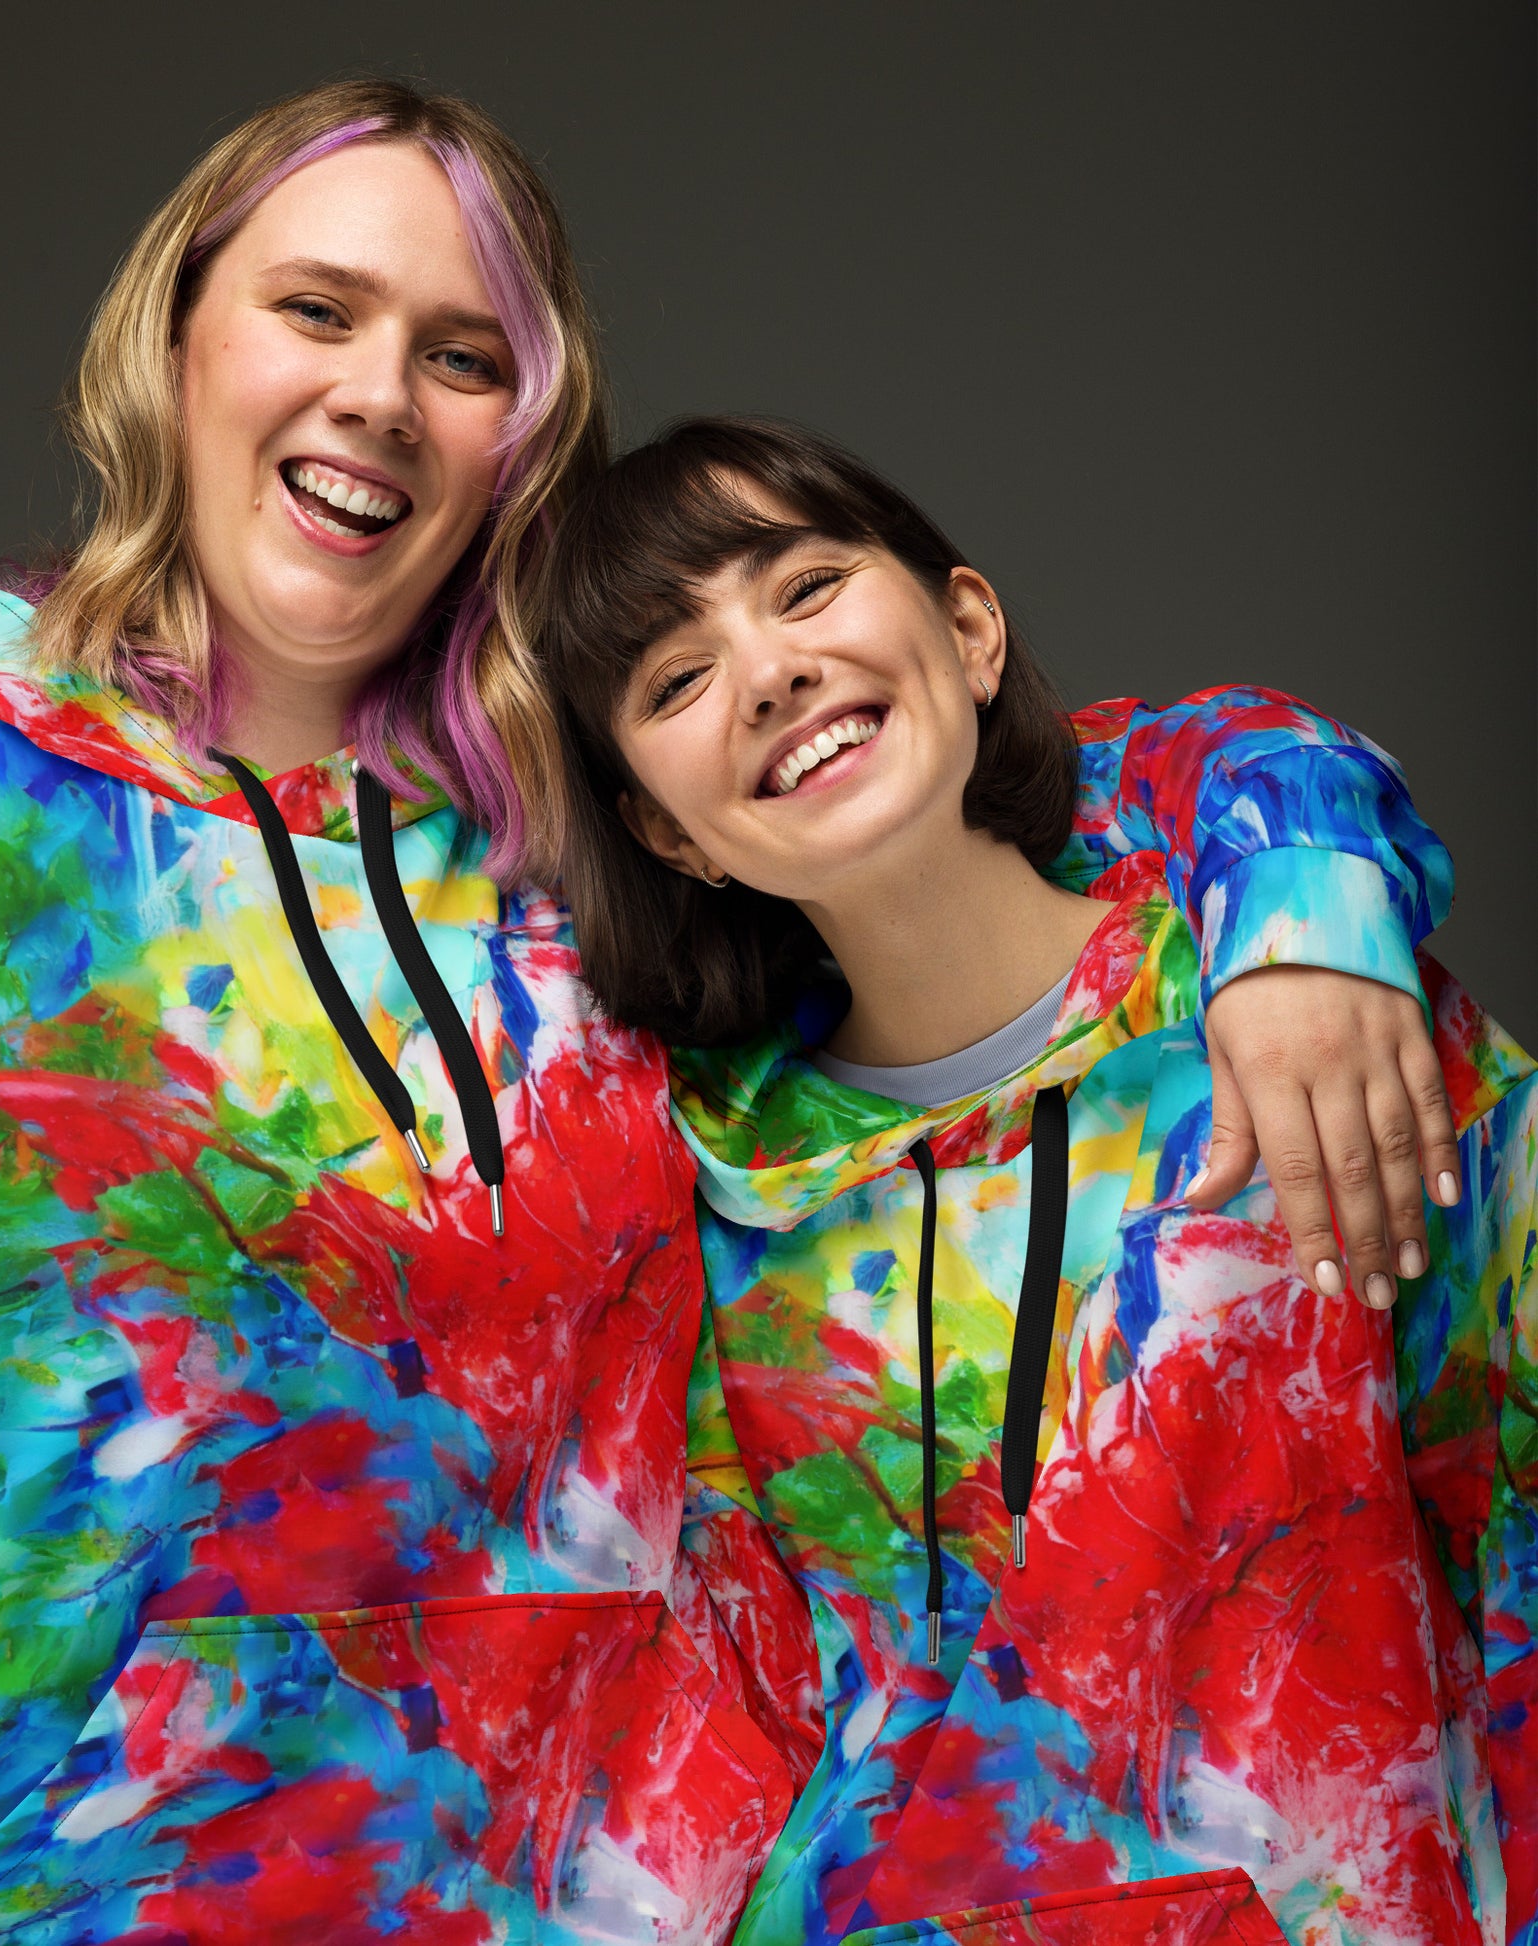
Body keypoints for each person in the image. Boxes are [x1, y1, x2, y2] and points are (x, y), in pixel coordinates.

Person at [0, 85, 1475, 1946]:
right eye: (315, 310)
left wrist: (1303, 888)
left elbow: (997, 819)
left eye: (462, 356)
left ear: (521, 444)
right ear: (174, 343)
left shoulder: (587, 869)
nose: (378, 395)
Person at [537, 417, 1534, 1946]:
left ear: (967, 629)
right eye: (675, 681)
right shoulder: (714, 1210)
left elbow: (1509, 1485)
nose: (768, 671)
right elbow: (729, 1713)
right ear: (670, 832)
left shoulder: (1290, 1010)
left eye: (804, 588)